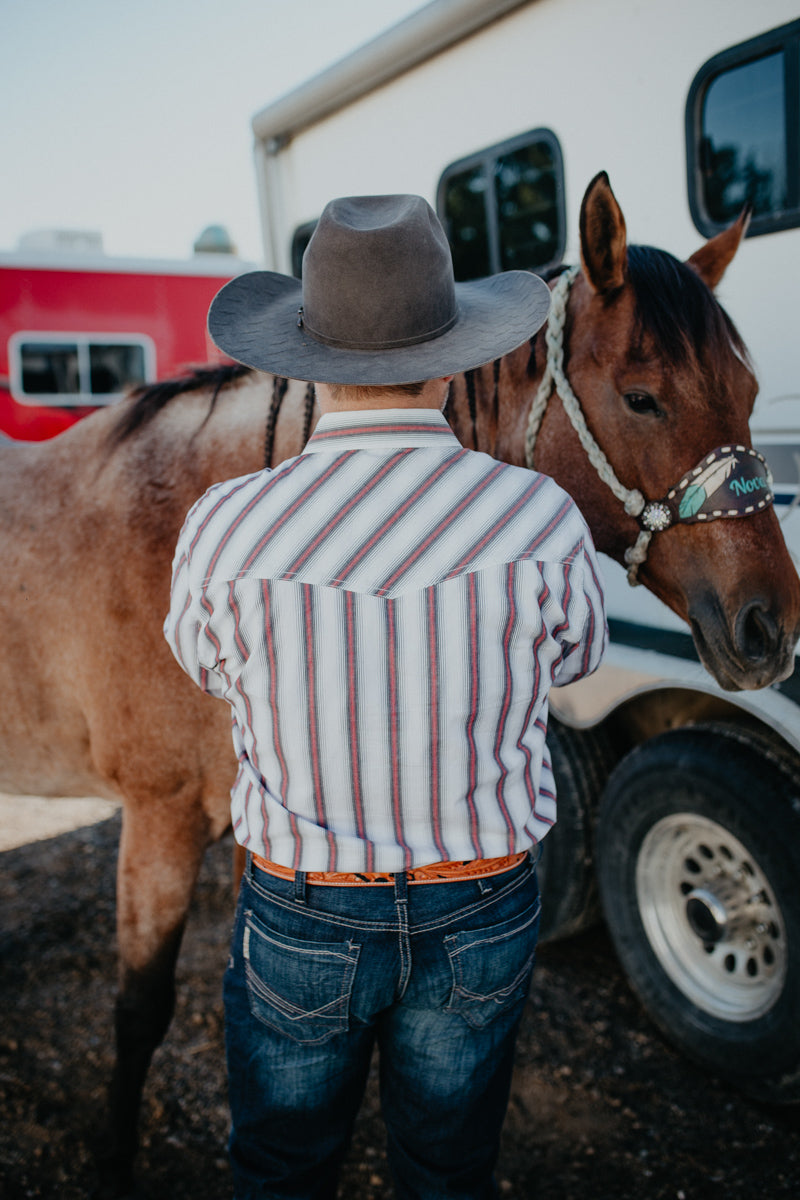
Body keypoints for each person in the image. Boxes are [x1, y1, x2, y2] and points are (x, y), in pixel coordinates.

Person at [164, 193, 607, 1200]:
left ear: (305, 360)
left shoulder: (226, 524)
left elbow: (206, 666)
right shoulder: (535, 514)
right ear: (450, 358)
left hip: (301, 907)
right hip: (484, 900)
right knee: (448, 1169)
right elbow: (572, 659)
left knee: (280, 1167)